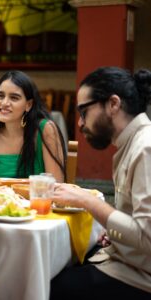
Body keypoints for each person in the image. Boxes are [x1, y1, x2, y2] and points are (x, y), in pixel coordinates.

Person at [50, 66, 151, 299]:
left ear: (113, 104)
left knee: (47, 288)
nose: (80, 123)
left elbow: (146, 237)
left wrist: (85, 200)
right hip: (126, 261)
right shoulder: (133, 143)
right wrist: (115, 233)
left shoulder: (145, 147)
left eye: (83, 111)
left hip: (140, 277)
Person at [0, 70, 66, 182]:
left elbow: (56, 185)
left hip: (38, 199)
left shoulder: (45, 130)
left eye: (14, 98)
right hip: (0, 199)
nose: (4, 103)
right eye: (0, 96)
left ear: (28, 105)